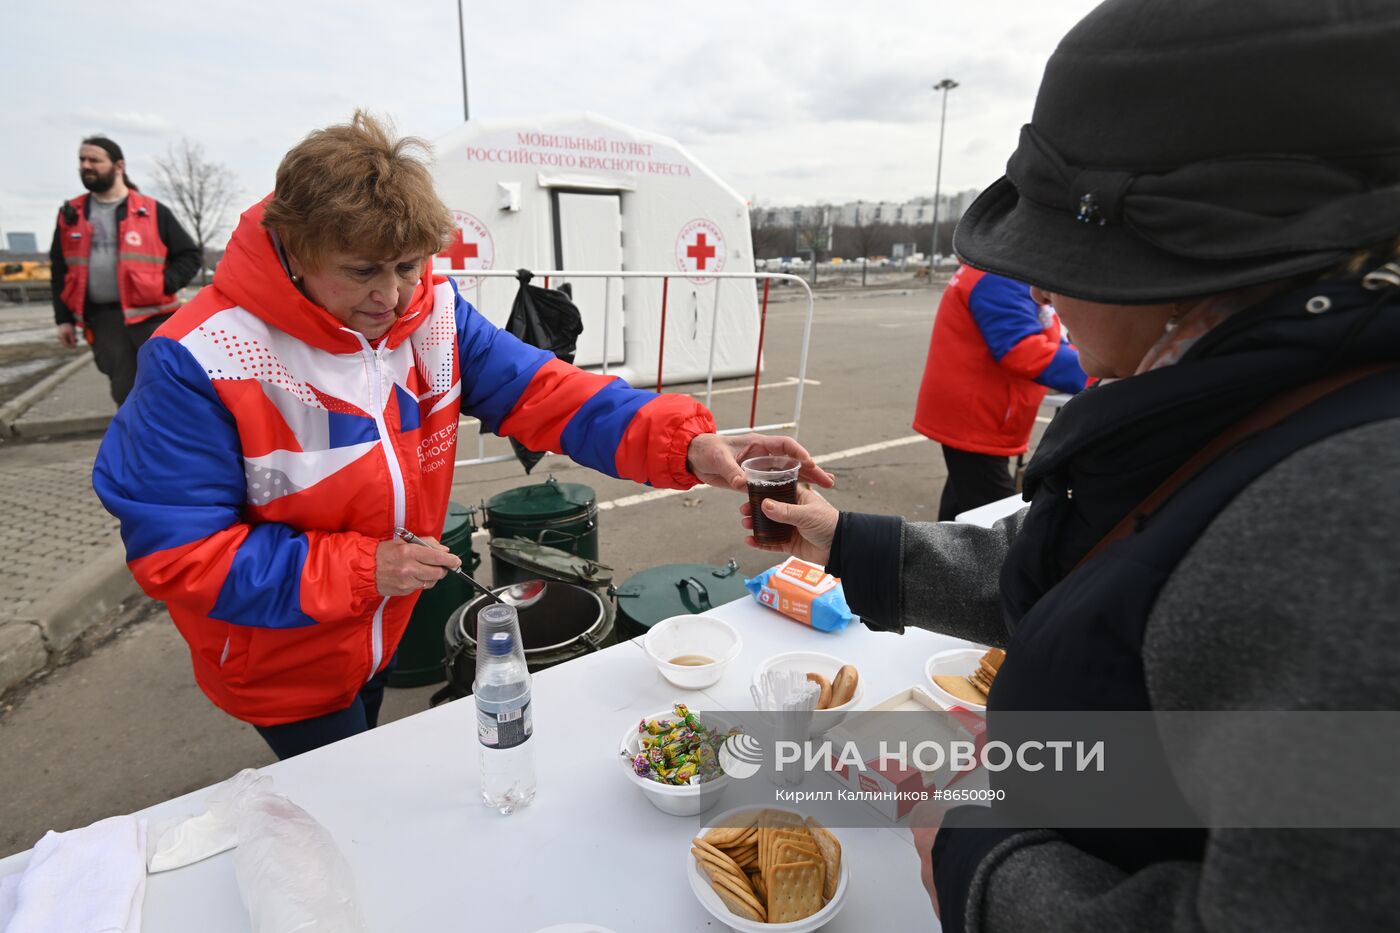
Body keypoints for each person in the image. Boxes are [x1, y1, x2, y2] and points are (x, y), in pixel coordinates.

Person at [742, 1, 1400, 930]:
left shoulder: (1348, 523)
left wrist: (981, 855)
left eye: (1070, 254)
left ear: (1195, 264)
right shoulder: (1250, 392)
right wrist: (851, 539)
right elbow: (1109, 563)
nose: (1044, 286)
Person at [92, 112, 832, 760]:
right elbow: (179, 551)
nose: (390, 295)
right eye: (362, 272)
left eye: (408, 265)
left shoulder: (430, 314)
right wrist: (363, 572)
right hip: (283, 659)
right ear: (294, 247)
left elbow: (551, 393)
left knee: (370, 749)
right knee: (345, 806)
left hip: (384, 622)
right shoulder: (201, 357)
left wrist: (687, 443)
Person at [913, 265, 1085, 520]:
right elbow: (1022, 348)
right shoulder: (999, 276)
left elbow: (1044, 331)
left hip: (980, 411)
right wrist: (1089, 373)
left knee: (962, 501)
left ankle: (934, 557)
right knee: (999, 517)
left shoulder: (998, 271)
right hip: (979, 415)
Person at [50, 136, 201, 404]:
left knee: (169, 387)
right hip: (104, 321)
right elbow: (59, 269)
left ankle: (172, 443)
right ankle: (135, 444)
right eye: (82, 160)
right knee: (125, 392)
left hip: (154, 317)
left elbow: (189, 255)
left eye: (94, 160)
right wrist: (63, 319)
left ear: (119, 166)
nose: (86, 165)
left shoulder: (151, 211)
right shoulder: (70, 214)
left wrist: (163, 284)